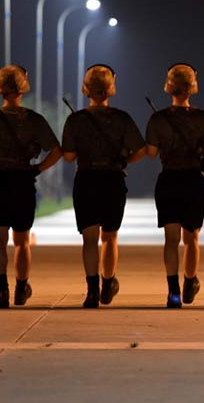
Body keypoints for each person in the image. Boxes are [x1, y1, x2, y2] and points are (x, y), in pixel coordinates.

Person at [0, 65, 62, 309]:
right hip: (23, 181)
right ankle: (22, 288)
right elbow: (56, 151)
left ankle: (2, 291)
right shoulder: (34, 120)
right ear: (24, 87)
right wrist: (37, 169)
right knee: (21, 241)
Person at [61, 64, 147, 308]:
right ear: (111, 89)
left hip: (86, 179)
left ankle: (91, 291)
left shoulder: (75, 120)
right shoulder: (122, 119)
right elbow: (141, 150)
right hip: (112, 179)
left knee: (90, 239)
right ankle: (108, 283)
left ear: (86, 89)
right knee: (110, 236)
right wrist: (123, 161)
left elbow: (67, 156)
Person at [146, 63, 204, 308]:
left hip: (169, 180)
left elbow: (150, 153)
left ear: (169, 87)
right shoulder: (203, 118)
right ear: (192, 88)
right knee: (192, 238)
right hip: (194, 180)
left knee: (171, 239)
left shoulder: (158, 119)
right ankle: (190, 282)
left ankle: (173, 291)